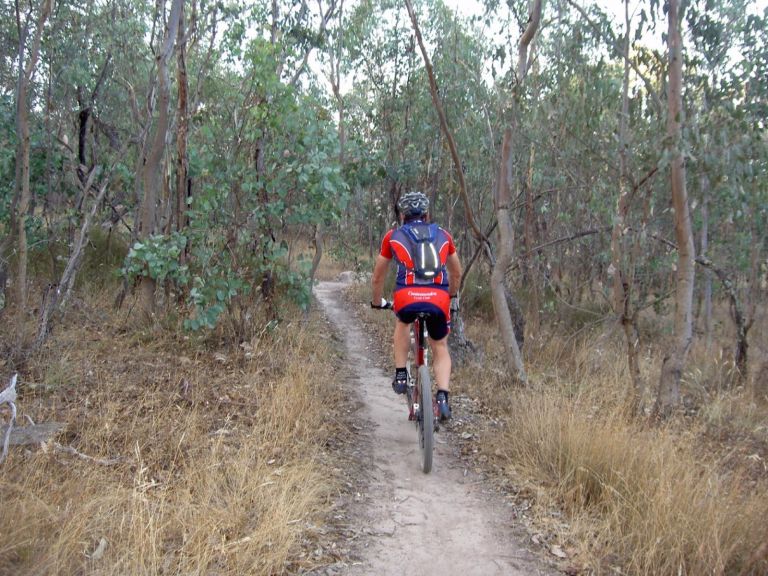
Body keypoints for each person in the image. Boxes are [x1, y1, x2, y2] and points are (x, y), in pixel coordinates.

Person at [370, 191, 462, 420]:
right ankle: (442, 397)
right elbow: (456, 272)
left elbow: (377, 277)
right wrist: (450, 297)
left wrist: (376, 301)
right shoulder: (443, 235)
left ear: (402, 214)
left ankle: (401, 374)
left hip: (407, 296)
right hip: (439, 298)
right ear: (427, 213)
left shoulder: (393, 236)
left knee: (403, 322)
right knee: (440, 345)